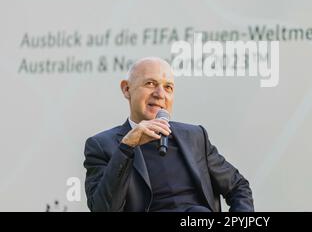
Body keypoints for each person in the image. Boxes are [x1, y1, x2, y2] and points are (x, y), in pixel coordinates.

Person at [83, 57, 254, 212]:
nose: (160, 94)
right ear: (127, 89)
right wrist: (127, 147)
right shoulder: (102, 146)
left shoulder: (195, 137)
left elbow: (238, 187)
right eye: (150, 83)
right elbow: (103, 209)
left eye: (168, 87)